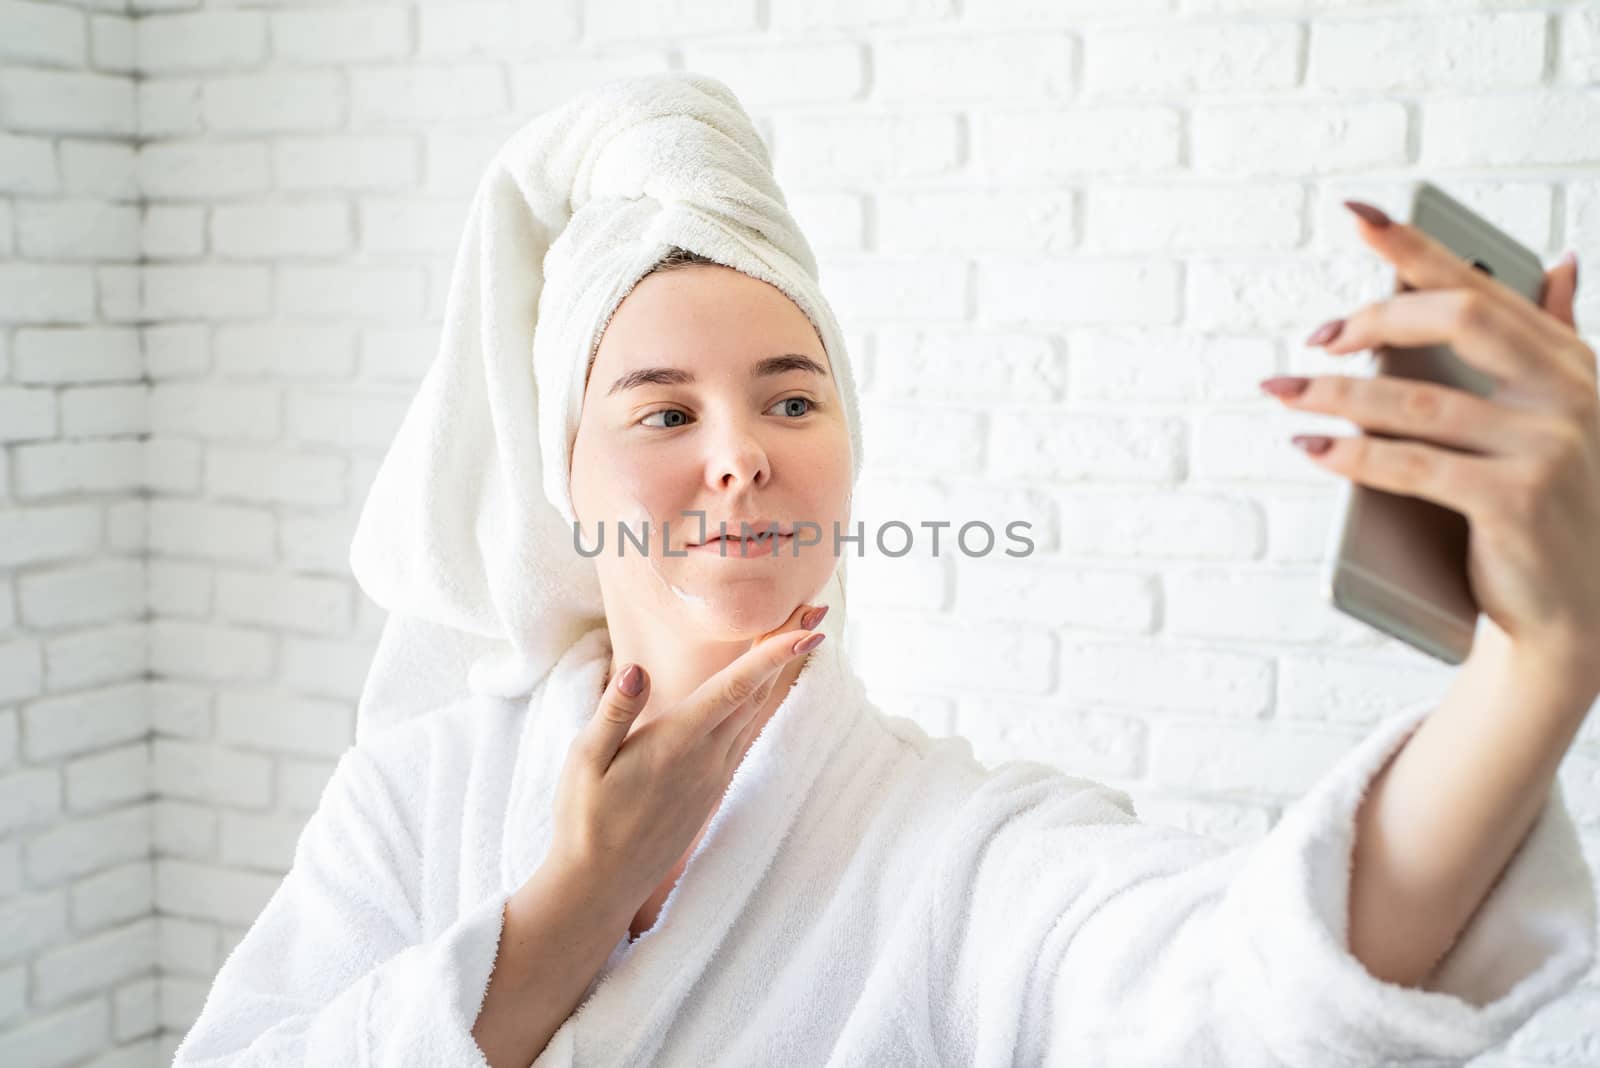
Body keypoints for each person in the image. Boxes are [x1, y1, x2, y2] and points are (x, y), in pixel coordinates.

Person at [170, 73, 1599, 1068]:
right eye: (664, 412)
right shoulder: (418, 800)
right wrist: (570, 909)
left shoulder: (953, 856)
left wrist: (1539, 668)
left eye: (793, 399)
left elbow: (1241, 991)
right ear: (565, 473)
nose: (741, 456)